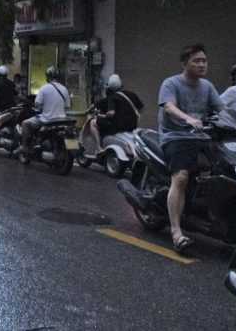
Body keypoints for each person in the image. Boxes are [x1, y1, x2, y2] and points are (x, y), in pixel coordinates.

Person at [159, 43, 224, 253]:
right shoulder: (171, 83)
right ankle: (177, 232)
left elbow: (222, 110)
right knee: (181, 177)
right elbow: (169, 107)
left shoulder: (207, 86)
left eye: (204, 60)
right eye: (197, 60)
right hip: (176, 136)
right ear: (184, 63)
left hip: (201, 137)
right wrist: (188, 119)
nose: (202, 64)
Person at [18, 66, 70, 156]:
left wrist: (41, 108)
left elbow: (37, 105)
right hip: (62, 120)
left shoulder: (44, 88)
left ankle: (25, 147)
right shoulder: (64, 89)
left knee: (25, 124)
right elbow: (67, 107)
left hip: (47, 119)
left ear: (47, 76)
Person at [88, 74, 143, 146]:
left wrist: (103, 115)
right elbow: (141, 108)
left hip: (118, 127)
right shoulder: (132, 94)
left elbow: (111, 113)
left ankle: (98, 148)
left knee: (93, 122)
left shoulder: (112, 97)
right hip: (133, 126)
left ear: (109, 87)